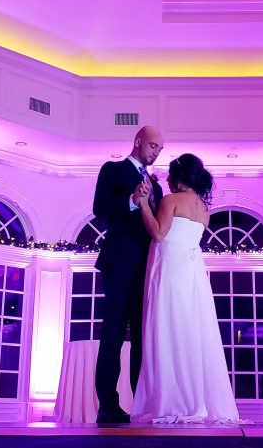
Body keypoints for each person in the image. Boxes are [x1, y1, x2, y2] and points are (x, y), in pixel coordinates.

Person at [130, 153, 242, 424]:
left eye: (170, 174)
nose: (167, 179)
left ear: (179, 176)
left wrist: (143, 204)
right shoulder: (203, 208)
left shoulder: (171, 200)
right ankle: (195, 396)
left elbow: (158, 233)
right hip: (193, 273)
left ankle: (171, 399)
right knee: (192, 331)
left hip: (171, 269)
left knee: (167, 328)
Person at [92, 126, 164, 424]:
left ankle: (141, 404)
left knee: (142, 340)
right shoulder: (113, 169)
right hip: (119, 264)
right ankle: (108, 406)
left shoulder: (157, 187)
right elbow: (99, 208)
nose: (156, 152)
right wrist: (133, 201)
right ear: (138, 141)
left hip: (146, 269)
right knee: (113, 334)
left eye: (160, 149)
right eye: (153, 146)